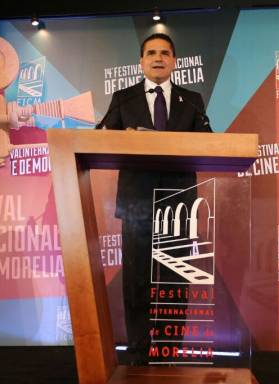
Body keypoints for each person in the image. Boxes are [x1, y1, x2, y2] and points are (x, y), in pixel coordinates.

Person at [97, 33, 212, 364]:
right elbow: (102, 138)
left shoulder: (191, 100)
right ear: (141, 62)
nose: (158, 58)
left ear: (174, 61)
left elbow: (208, 142)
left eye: (164, 53)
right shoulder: (124, 98)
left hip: (178, 204)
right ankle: (138, 351)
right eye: (151, 53)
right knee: (136, 280)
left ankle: (168, 350)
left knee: (175, 281)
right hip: (136, 203)